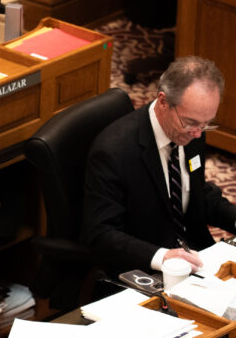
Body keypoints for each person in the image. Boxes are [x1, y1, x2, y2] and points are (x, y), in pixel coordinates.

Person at [83, 56, 236, 275]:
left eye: (206, 124)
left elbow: (194, 192)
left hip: (197, 257)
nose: (198, 133)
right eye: (191, 123)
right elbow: (101, 234)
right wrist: (162, 256)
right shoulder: (112, 152)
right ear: (163, 101)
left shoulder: (192, 128)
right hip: (144, 269)